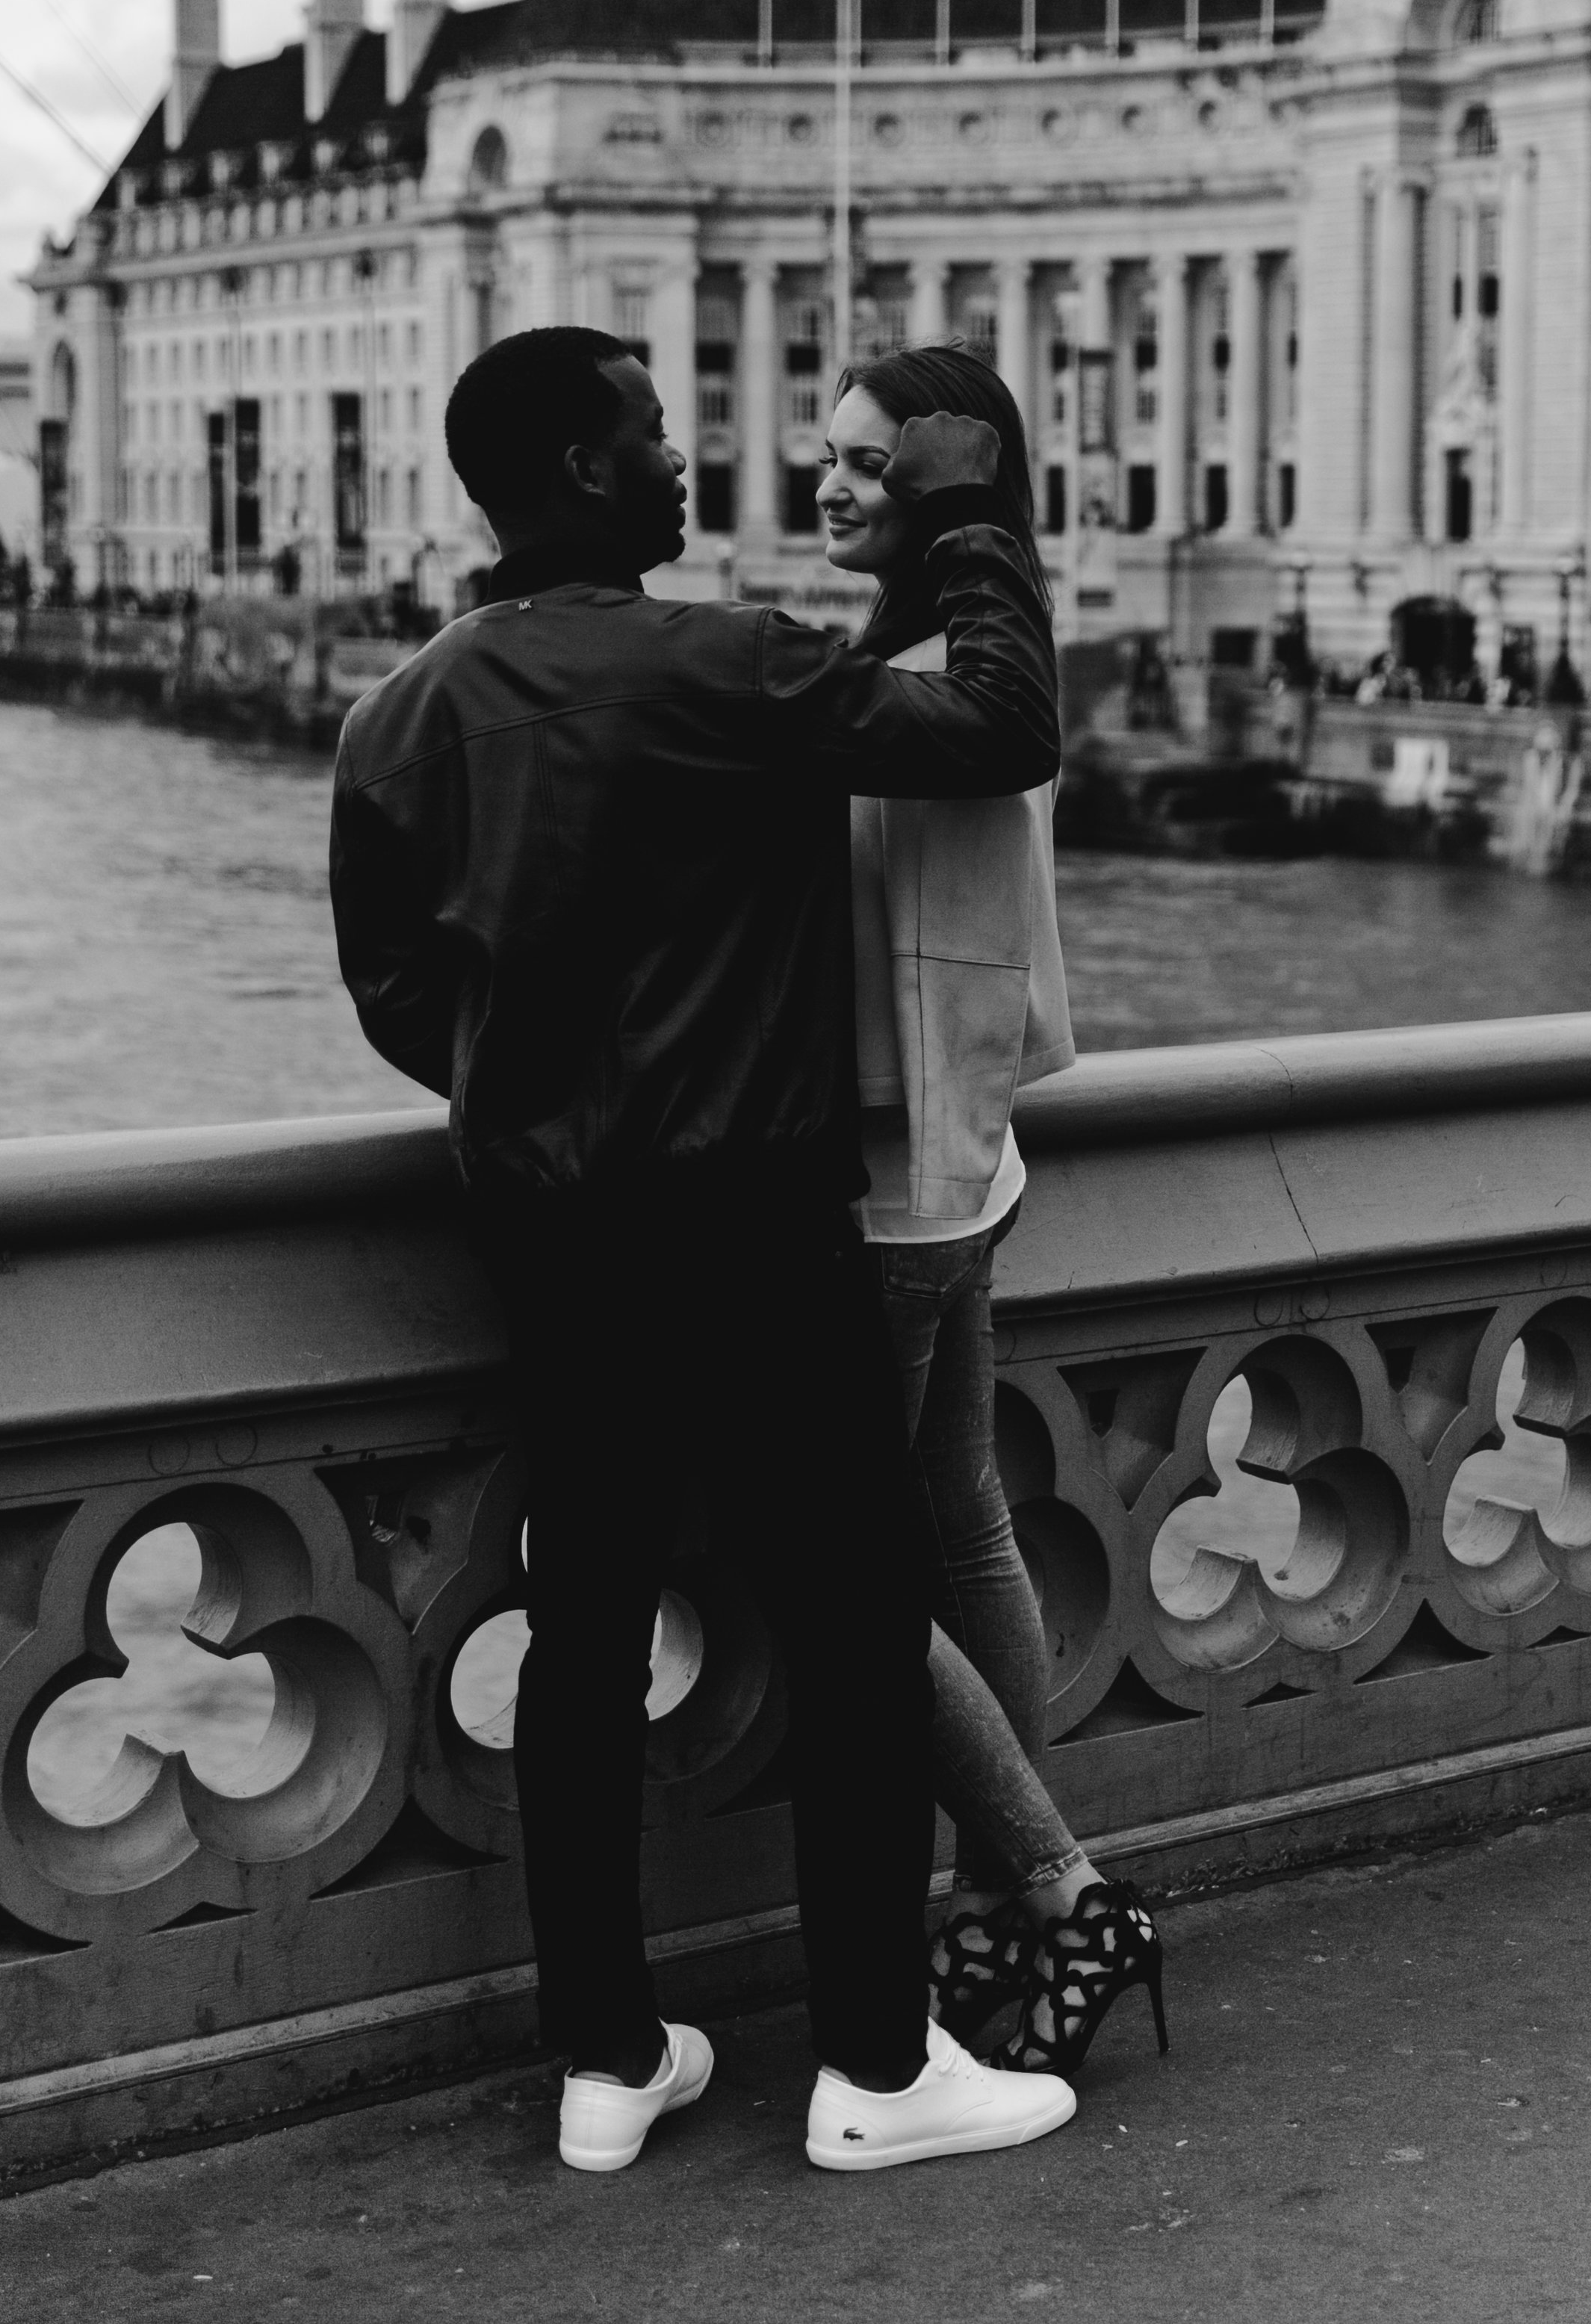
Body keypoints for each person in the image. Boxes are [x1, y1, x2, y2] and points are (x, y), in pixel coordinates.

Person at [329, 326, 1076, 2178]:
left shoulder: (398, 719)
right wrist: (969, 513)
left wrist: (531, 1090)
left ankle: (605, 2058)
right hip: (754, 1217)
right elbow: (999, 725)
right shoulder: (727, 664)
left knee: (581, 1629)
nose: (686, 461)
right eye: (654, 435)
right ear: (585, 473)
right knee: (843, 1616)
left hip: (549, 1227)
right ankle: (876, 2074)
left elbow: (397, 992)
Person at [816, 342, 1167, 2081]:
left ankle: (1054, 1889)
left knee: (839, 1568)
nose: (827, 486)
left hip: (890, 1188)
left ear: (948, 489)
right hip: (969, 1163)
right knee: (958, 1530)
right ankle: (983, 1933)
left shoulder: (963, 676)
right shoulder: (975, 645)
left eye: (869, 467)